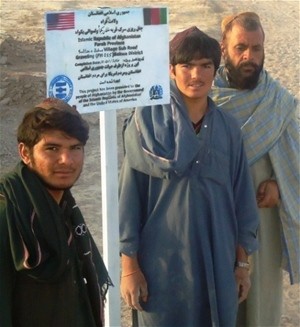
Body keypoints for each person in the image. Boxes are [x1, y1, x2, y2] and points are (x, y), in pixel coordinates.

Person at [119, 27, 259, 326]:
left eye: (205, 65)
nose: (196, 75)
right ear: (171, 70)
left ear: (215, 69)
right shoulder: (146, 127)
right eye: (186, 66)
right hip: (161, 263)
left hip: (218, 262)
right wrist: (130, 268)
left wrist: (242, 265)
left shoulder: (228, 129)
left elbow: (242, 200)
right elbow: (130, 199)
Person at [210, 12, 300, 326]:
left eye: (257, 48)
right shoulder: (204, 98)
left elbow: (297, 157)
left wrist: (278, 183)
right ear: (224, 48)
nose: (249, 56)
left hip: (264, 223)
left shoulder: (278, 100)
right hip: (215, 218)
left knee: (261, 305)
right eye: (241, 47)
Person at [0, 98, 112, 327]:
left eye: (75, 148)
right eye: (52, 148)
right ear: (25, 152)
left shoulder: (64, 208)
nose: (66, 160)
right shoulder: (8, 212)